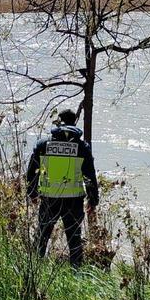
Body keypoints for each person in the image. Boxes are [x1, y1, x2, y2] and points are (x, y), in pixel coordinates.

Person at [26, 109, 98, 267]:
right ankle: (77, 273)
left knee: (42, 237)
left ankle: (35, 269)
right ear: (74, 123)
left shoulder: (43, 144)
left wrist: (32, 193)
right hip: (73, 201)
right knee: (74, 240)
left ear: (58, 122)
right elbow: (90, 176)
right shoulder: (82, 147)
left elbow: (32, 171)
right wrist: (93, 201)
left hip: (49, 199)